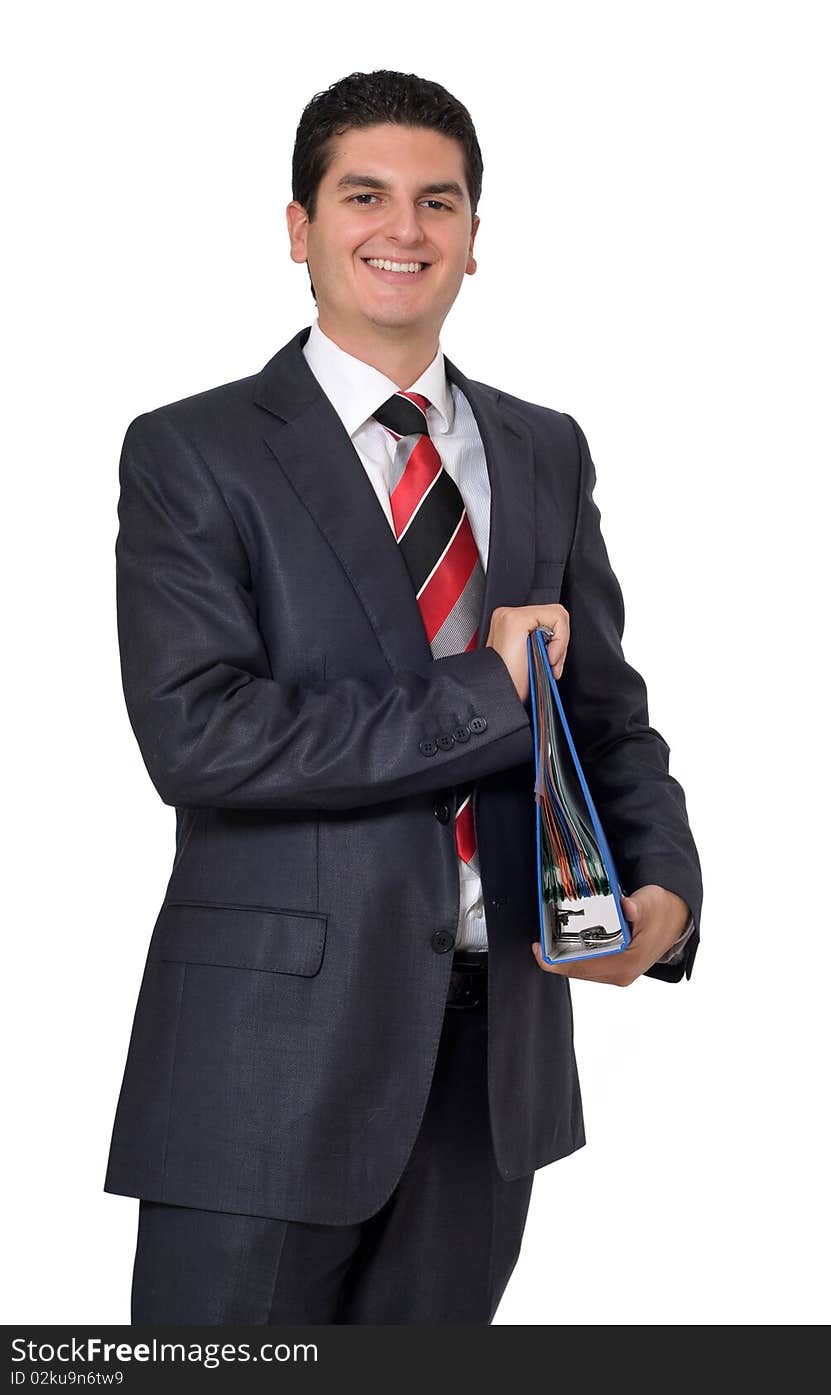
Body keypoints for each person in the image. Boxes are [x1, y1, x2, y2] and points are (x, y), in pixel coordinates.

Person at [104, 69, 701, 1325]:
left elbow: (600, 712)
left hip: (496, 1066)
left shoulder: (544, 446)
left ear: (475, 237)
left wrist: (665, 886)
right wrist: (485, 689)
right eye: (364, 195)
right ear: (298, 228)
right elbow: (201, 735)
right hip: (264, 1065)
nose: (405, 230)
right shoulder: (192, 451)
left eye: (440, 202)